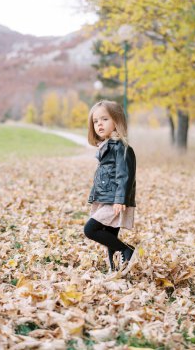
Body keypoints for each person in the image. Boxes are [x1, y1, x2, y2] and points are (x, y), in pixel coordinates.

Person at [83, 100, 137, 274]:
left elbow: (124, 175)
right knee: (110, 235)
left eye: (104, 119)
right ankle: (115, 268)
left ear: (116, 121)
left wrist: (121, 198)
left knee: (90, 229)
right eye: (96, 121)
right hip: (105, 198)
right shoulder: (106, 146)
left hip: (114, 200)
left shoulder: (121, 147)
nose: (99, 124)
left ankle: (127, 249)